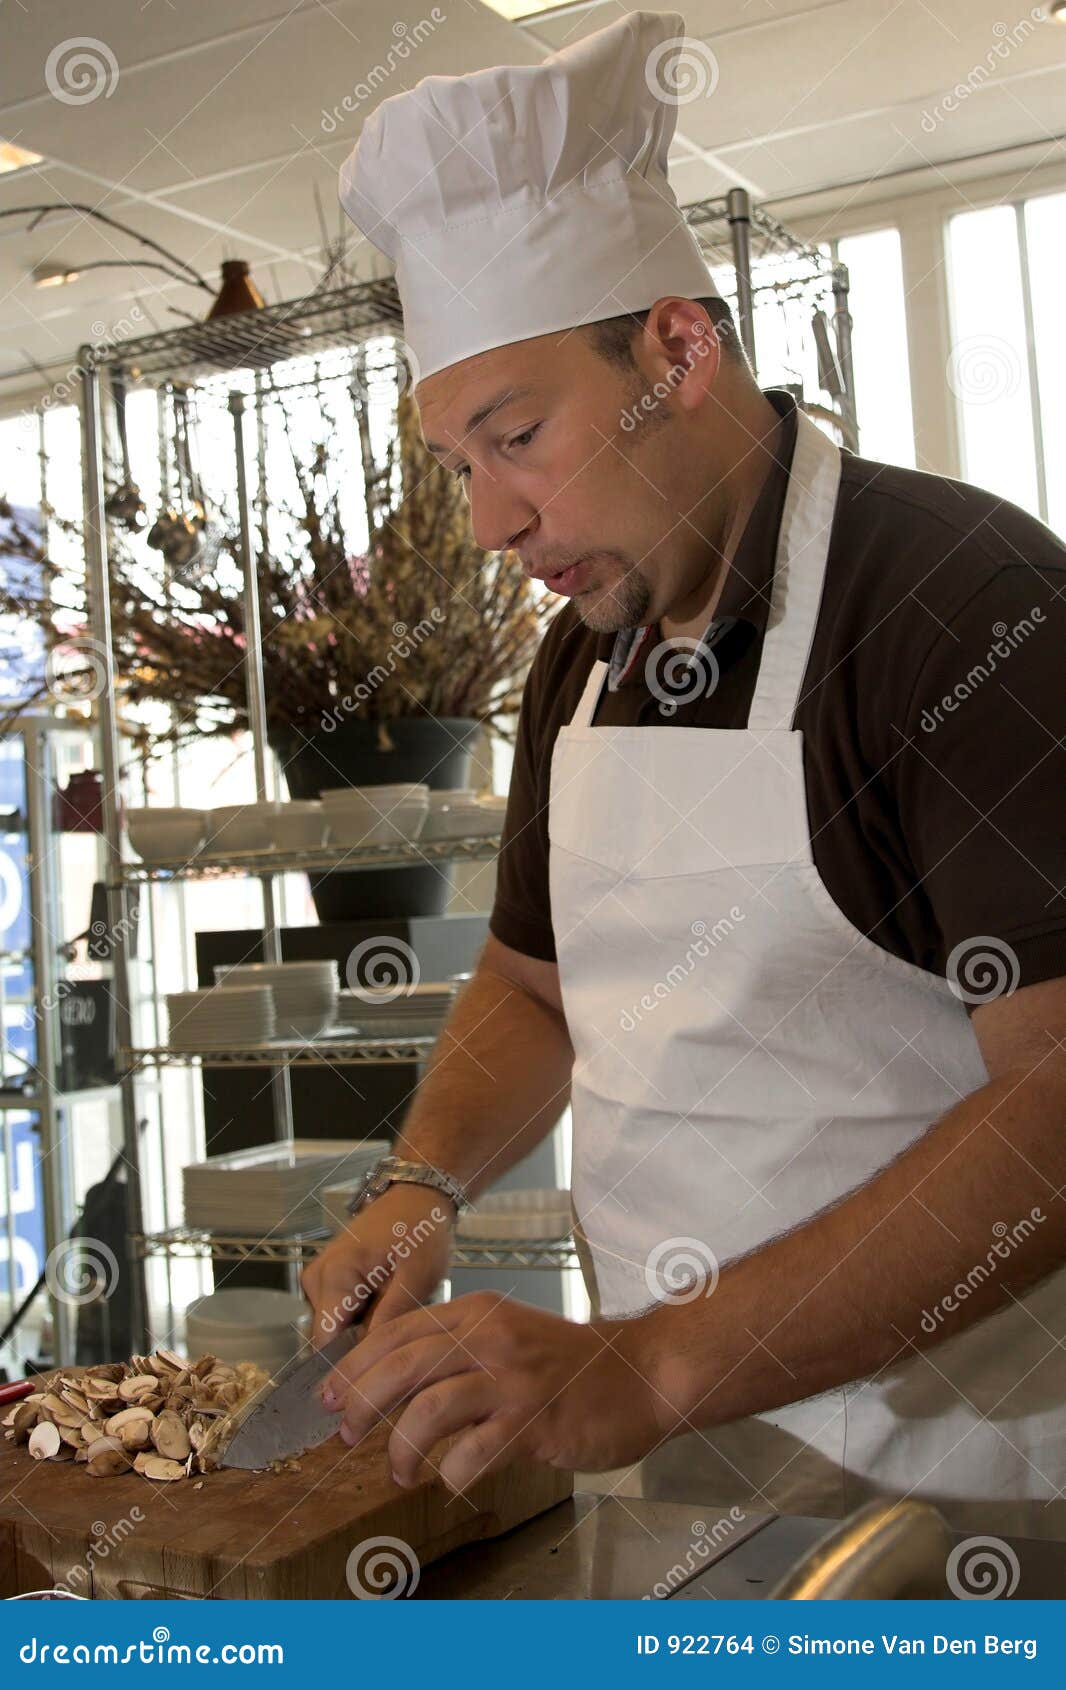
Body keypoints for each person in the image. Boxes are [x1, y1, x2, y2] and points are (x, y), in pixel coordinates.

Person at [302, 11, 1066, 1537]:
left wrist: (644, 1366)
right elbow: (532, 988)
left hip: (992, 1495)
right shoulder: (587, 657)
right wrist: (422, 1183)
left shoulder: (957, 601)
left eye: (516, 435)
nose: (489, 522)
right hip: (704, 1486)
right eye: (458, 462)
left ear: (674, 345)